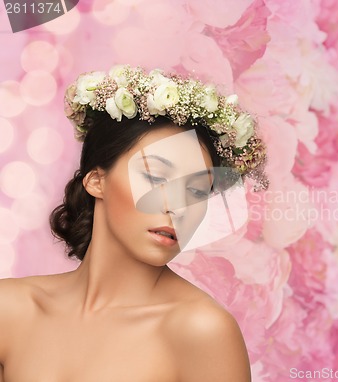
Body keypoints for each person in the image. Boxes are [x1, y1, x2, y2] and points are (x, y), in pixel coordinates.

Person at [0, 65, 268, 381]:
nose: (178, 207)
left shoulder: (202, 331)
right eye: (156, 177)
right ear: (96, 180)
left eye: (196, 191)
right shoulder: (10, 309)